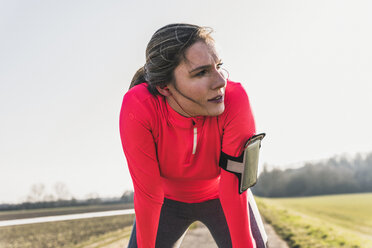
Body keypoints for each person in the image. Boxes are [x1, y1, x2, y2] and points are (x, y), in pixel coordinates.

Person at [119, 23, 267, 248]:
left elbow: (232, 189)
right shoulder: (138, 107)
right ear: (163, 86)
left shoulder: (236, 100)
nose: (221, 82)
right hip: (165, 203)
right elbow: (148, 194)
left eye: (219, 66)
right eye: (201, 72)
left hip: (222, 194)